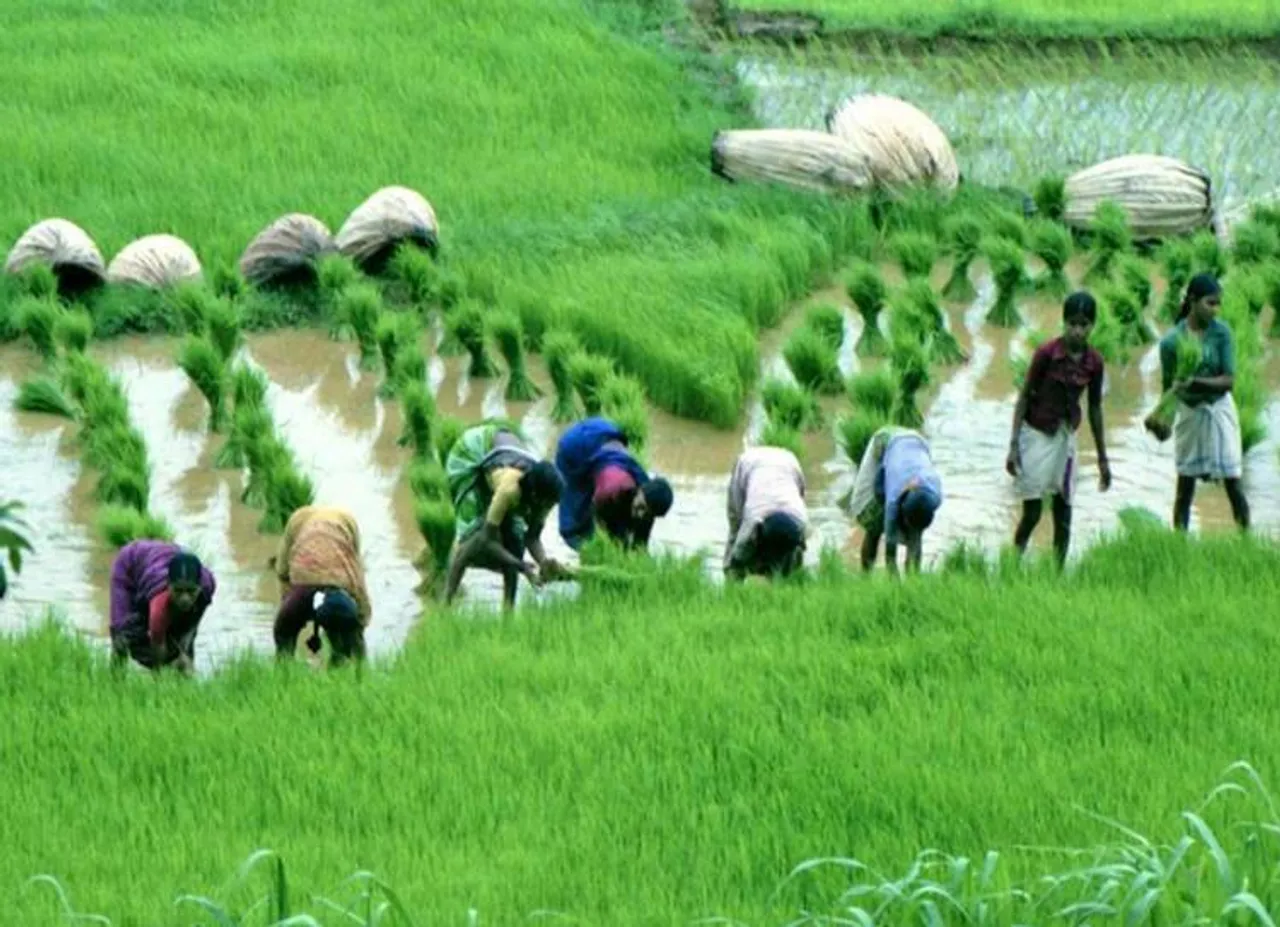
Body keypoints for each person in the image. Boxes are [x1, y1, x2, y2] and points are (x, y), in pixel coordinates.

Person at [1006, 290, 1112, 566]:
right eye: (1072, 323)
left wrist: (1102, 458)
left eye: (1084, 324)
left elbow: (1095, 408)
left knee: (1064, 510)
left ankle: (1057, 571)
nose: (1077, 330)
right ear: (1064, 322)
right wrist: (1013, 446)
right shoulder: (1047, 354)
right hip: (1037, 433)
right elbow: (1024, 396)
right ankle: (1013, 561)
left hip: (1065, 437)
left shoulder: (1094, 363)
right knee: (1032, 511)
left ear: (1092, 326)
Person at [1148, 273, 1249, 531]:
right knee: (1185, 485)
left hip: (1219, 410)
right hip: (1190, 413)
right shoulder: (1172, 342)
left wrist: (1194, 382)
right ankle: (1179, 543)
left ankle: (1246, 540)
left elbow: (1229, 381)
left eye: (1218, 304)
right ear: (1192, 301)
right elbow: (1168, 387)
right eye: (1210, 303)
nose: (1215, 309)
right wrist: (1163, 419)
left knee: (1233, 481)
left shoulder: (1222, 333)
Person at [444, 421, 567, 609]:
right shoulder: (510, 489)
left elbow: (532, 538)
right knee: (471, 539)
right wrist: (522, 566)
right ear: (535, 496)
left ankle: (507, 612)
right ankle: (446, 605)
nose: (549, 508)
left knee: (515, 541)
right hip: (471, 452)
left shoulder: (545, 496)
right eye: (548, 503)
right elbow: (487, 540)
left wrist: (544, 562)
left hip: (505, 451)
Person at [554, 416, 674, 552]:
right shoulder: (611, 489)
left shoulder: (650, 496)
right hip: (576, 447)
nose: (641, 514)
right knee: (574, 523)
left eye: (647, 513)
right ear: (640, 490)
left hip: (605, 436)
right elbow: (602, 531)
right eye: (641, 507)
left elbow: (641, 543)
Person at [273, 505, 371, 666]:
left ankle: (284, 678)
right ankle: (354, 678)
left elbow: (282, 571)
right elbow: (357, 573)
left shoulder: (297, 519)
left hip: (301, 590)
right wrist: (361, 618)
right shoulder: (347, 520)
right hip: (338, 594)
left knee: (284, 639)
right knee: (348, 649)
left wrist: (287, 607)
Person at [108, 540, 216, 674]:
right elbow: (158, 645)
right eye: (178, 591)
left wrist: (184, 652)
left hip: (161, 556)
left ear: (199, 588)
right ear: (168, 586)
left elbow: (191, 629)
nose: (185, 599)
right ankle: (115, 680)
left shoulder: (207, 587)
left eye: (191, 591)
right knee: (122, 636)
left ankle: (185, 679)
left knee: (183, 639)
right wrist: (159, 677)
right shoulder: (159, 604)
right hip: (129, 563)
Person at [847, 426, 943, 574]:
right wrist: (893, 576)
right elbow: (890, 548)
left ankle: (913, 579)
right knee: (874, 524)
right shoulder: (894, 495)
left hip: (919, 444)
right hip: (887, 442)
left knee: (915, 532)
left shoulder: (935, 497)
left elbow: (918, 526)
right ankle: (865, 577)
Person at [724, 445, 809, 581]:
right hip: (749, 464)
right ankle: (731, 586)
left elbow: (801, 550)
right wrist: (733, 569)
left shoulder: (801, 521)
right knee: (736, 526)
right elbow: (738, 553)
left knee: (791, 562)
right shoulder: (753, 520)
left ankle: (782, 580)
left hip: (789, 464)